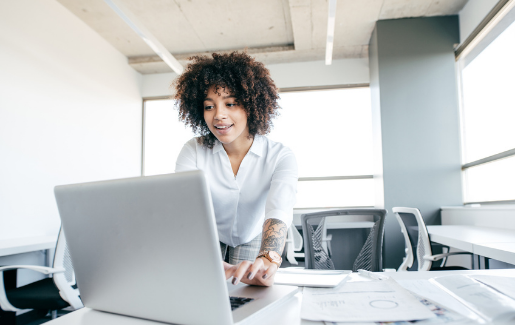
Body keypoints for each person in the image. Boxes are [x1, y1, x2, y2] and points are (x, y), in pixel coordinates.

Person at [173, 52, 297, 286]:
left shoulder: (280, 156)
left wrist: (268, 257)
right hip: (209, 236)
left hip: (251, 236)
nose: (219, 115)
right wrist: (203, 260)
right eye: (209, 106)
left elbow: (278, 210)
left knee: (246, 290)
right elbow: (185, 209)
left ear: (251, 105)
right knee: (206, 288)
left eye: (230, 103)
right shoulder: (193, 150)